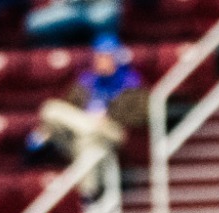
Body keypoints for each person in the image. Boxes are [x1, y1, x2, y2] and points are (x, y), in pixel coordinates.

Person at [27, 38, 146, 196]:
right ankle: (88, 197)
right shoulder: (84, 83)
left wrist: (109, 118)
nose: (101, 62)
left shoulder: (132, 84)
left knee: (91, 140)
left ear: (117, 59)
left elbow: (140, 117)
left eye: (106, 57)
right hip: (86, 136)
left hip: (112, 131)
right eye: (98, 57)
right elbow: (69, 109)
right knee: (51, 110)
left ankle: (89, 130)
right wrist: (89, 122)